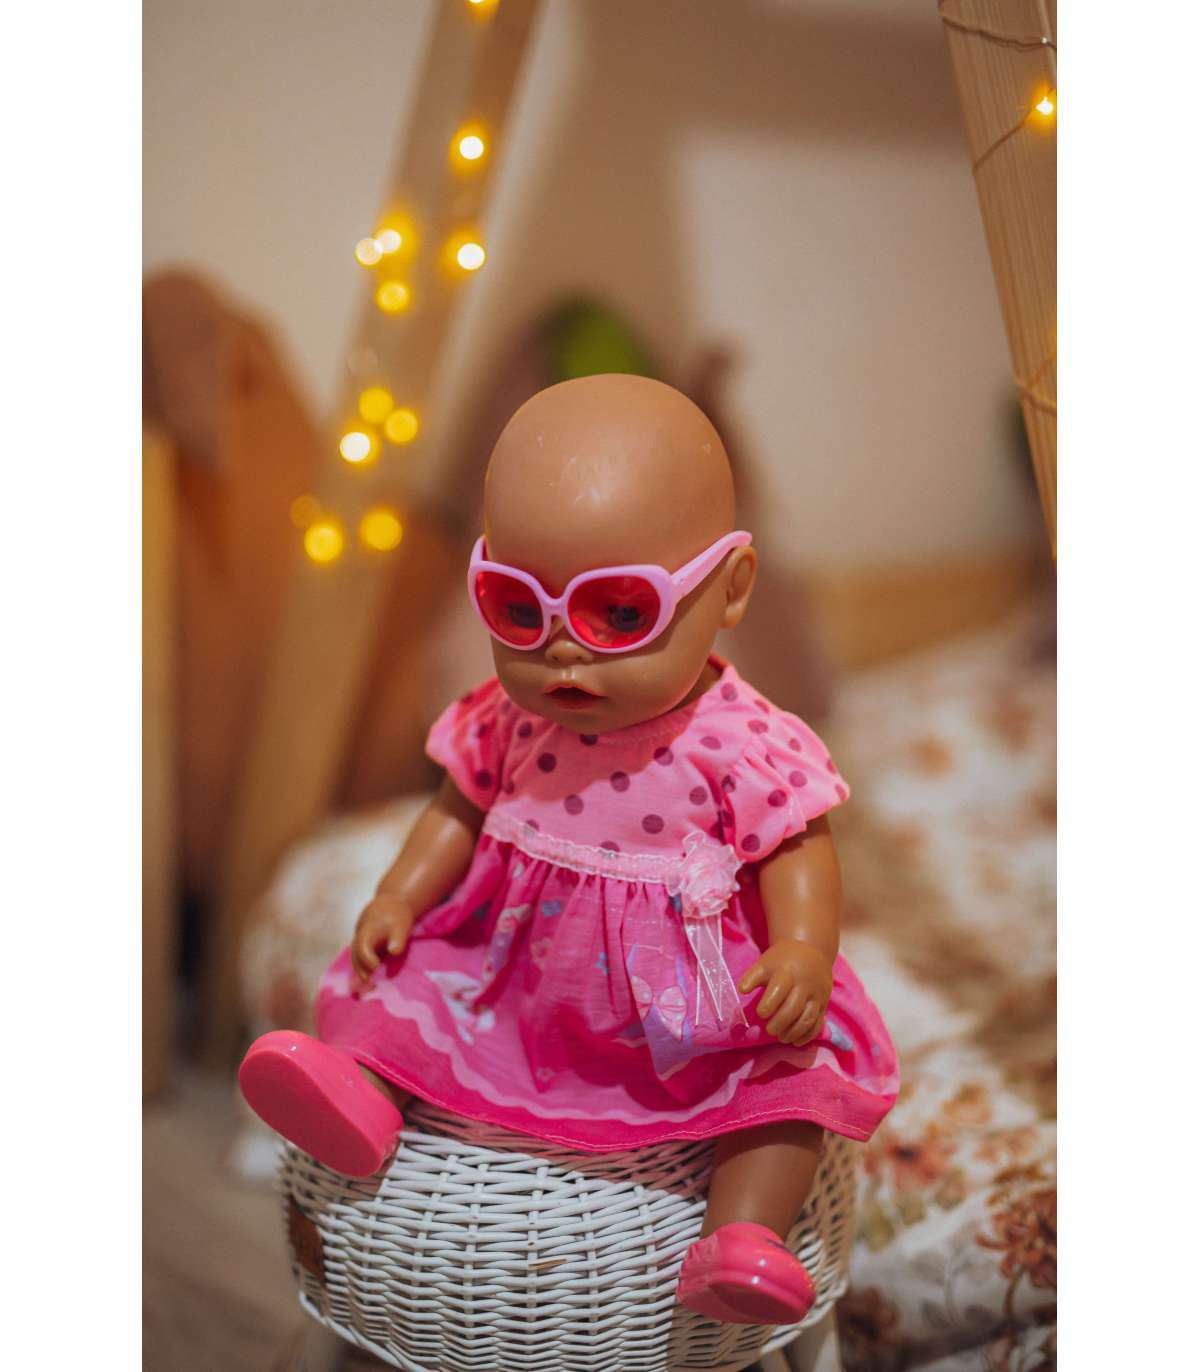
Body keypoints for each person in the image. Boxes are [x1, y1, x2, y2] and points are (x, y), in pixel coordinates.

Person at [240, 374, 897, 1325]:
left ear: (730, 590)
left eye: (619, 613)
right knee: (401, 982)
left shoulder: (743, 742)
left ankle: (741, 1235)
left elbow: (798, 849)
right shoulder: (504, 718)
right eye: (516, 607)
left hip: (680, 1008)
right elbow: (455, 812)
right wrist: (399, 896)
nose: (561, 650)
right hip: (512, 971)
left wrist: (801, 949)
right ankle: (361, 1093)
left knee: (787, 1084)